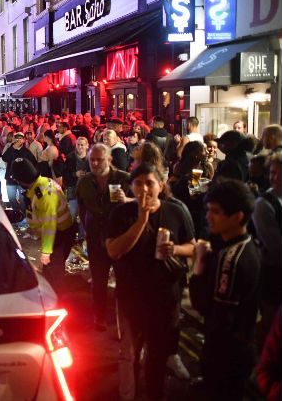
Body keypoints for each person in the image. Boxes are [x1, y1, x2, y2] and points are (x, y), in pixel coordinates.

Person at [106, 163, 195, 401]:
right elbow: (113, 251)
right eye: (138, 183)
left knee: (157, 355)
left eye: (150, 183)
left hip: (165, 298)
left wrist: (175, 248)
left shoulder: (177, 211)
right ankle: (129, 395)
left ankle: (155, 394)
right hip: (130, 297)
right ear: (131, 186)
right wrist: (141, 221)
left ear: (161, 185)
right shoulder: (121, 213)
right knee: (130, 354)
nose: (144, 188)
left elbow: (193, 248)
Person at [189, 179, 260, 401]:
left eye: (216, 212)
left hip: (226, 354)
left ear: (238, 216)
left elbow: (207, 308)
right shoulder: (247, 244)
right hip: (240, 347)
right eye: (208, 210)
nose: (209, 216)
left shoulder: (232, 258)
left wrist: (199, 264)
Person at [76, 143, 132, 331]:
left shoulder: (124, 179)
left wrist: (128, 200)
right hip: (95, 238)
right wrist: (86, 227)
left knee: (124, 282)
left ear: (109, 159)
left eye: (99, 159)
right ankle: (99, 316)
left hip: (118, 238)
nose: (95, 163)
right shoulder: (84, 182)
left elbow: (139, 204)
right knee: (98, 281)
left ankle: (124, 318)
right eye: (92, 159)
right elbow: (82, 207)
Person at [11, 158, 74, 291]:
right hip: (57, 235)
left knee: (53, 275)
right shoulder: (42, 183)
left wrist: (46, 252)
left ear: (22, 179)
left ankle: (56, 302)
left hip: (58, 236)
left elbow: (49, 226)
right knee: (50, 271)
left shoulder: (44, 194)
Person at [251, 152, 281, 343]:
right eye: (272, 172)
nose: (274, 177)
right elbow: (276, 247)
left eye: (280, 173)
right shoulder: (263, 204)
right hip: (273, 271)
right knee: (270, 321)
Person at [2, 132, 38, 214]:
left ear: (24, 140)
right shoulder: (10, 149)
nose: (18, 140)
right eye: (16, 138)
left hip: (23, 180)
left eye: (20, 138)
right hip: (11, 178)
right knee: (11, 197)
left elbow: (34, 163)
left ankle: (23, 216)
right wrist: (13, 147)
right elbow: (4, 158)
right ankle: (16, 213)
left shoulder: (26, 151)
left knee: (22, 199)